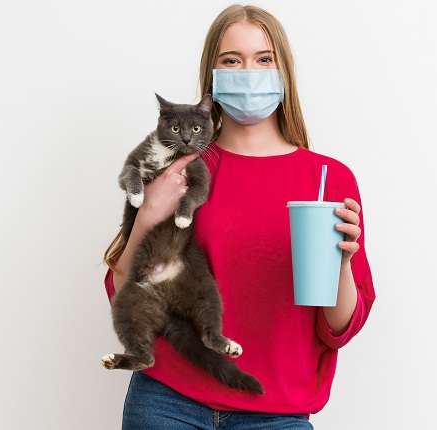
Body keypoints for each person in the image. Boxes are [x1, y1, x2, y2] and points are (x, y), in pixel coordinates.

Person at [103, 4, 375, 429]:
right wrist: (149, 212)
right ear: (212, 75)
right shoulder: (179, 171)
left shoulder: (328, 179)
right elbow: (125, 289)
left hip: (275, 413)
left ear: (283, 71)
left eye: (263, 59)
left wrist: (340, 264)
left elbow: (337, 327)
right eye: (232, 60)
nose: (249, 72)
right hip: (167, 402)